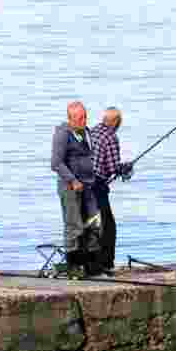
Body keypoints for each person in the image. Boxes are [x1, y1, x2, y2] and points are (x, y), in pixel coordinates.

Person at [51, 101, 103, 276]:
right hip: (70, 187)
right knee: (74, 226)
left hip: (89, 186)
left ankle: (92, 265)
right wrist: (72, 180)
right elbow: (56, 163)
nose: (83, 121)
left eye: (85, 117)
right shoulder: (62, 134)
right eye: (79, 118)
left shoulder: (86, 132)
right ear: (70, 118)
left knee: (95, 223)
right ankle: (73, 265)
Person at [89, 106, 133, 271]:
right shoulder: (110, 137)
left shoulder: (93, 131)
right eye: (119, 122)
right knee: (108, 225)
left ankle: (90, 261)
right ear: (115, 122)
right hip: (96, 185)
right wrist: (126, 168)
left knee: (91, 223)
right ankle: (106, 263)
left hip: (83, 182)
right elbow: (113, 168)